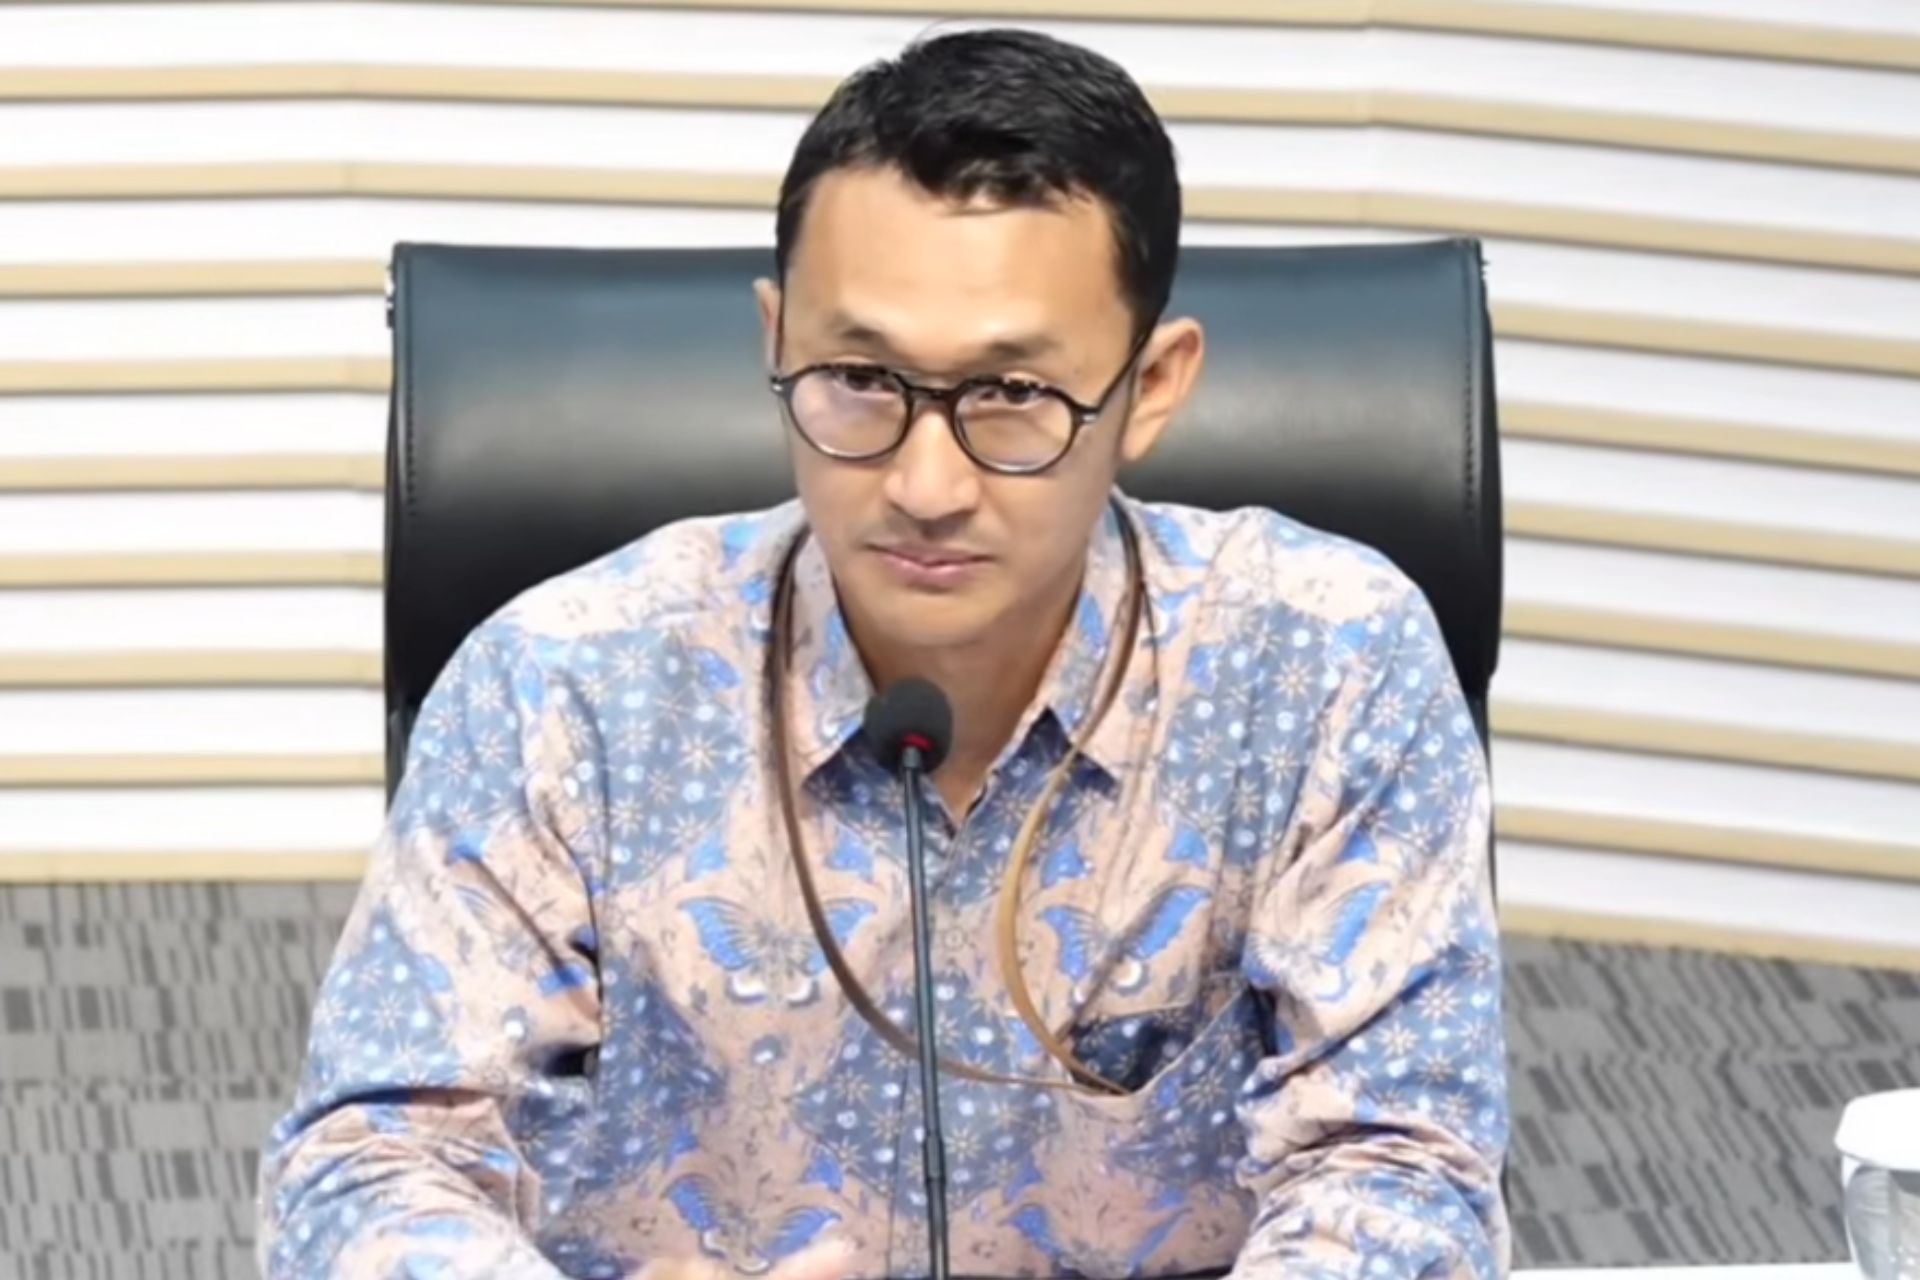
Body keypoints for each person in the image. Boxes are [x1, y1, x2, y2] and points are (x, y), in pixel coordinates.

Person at [258, 27, 1508, 1280]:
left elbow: (1402, 1166)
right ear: (776, 341)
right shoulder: (564, 686)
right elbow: (370, 1165)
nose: (924, 485)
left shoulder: (1327, 665)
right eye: (859, 376)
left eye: (1012, 394)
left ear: (1154, 386)